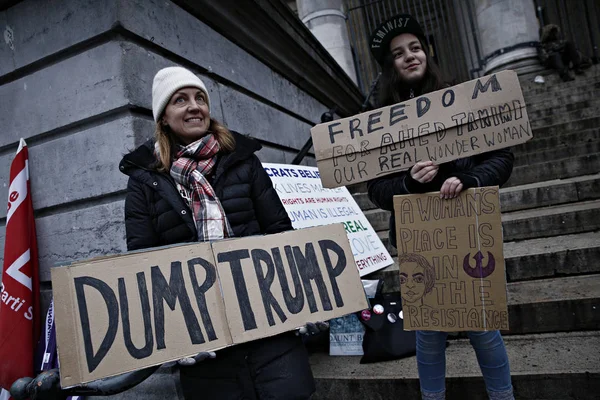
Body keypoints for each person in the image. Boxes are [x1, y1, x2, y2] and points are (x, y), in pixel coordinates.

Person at [119, 66, 321, 400]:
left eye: (200, 97)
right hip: (204, 346)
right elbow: (143, 262)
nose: (194, 106)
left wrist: (298, 302)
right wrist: (173, 339)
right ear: (164, 118)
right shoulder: (144, 180)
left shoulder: (243, 161)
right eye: (180, 100)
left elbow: (279, 231)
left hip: (272, 336)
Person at [367, 14, 515, 400]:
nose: (409, 56)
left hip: (468, 230)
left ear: (426, 54)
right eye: (398, 53)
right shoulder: (380, 123)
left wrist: (469, 180)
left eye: (415, 48)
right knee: (429, 330)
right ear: (390, 65)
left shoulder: (466, 102)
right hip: (419, 238)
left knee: (483, 323)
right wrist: (409, 182)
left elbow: (501, 159)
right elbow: (376, 189)